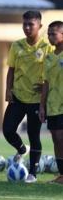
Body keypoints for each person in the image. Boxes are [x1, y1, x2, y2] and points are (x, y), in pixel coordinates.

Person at [2, 10, 53, 183]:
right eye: (24, 24)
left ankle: (32, 173)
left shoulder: (47, 47)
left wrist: (47, 88)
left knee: (34, 134)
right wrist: (8, 89)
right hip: (18, 97)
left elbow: (53, 71)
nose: (27, 27)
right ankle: (22, 149)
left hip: (36, 100)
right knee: (7, 130)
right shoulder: (17, 46)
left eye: (30, 24)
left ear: (40, 26)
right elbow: (11, 70)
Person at [39, 21, 63, 184]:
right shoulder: (48, 57)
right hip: (53, 105)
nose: (50, 36)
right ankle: (62, 175)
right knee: (56, 138)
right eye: (48, 33)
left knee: (61, 137)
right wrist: (42, 106)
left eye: (53, 33)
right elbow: (46, 83)